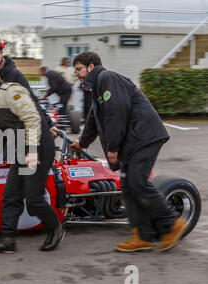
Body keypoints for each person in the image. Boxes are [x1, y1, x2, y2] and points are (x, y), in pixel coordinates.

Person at [69, 51, 186, 252]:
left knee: (137, 182)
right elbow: (94, 118)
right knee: (128, 186)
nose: (77, 74)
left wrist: (113, 147)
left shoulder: (107, 79)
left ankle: (172, 224)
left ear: (90, 67)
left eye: (79, 69)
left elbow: (116, 113)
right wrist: (82, 143)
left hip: (144, 137)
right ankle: (142, 236)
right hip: (132, 141)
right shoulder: (98, 88)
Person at [0, 62, 64, 253]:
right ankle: (8, 240)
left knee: (33, 199)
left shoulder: (11, 91)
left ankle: (55, 228)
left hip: (38, 148)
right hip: (23, 150)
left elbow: (32, 119)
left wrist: (31, 151)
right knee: (11, 195)